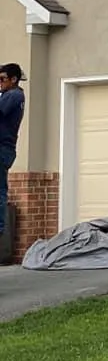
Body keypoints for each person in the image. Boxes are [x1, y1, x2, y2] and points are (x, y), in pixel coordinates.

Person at [0, 63, 25, 238]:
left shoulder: (14, 95)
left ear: (14, 79)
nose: (0, 83)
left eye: (2, 79)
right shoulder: (10, 95)